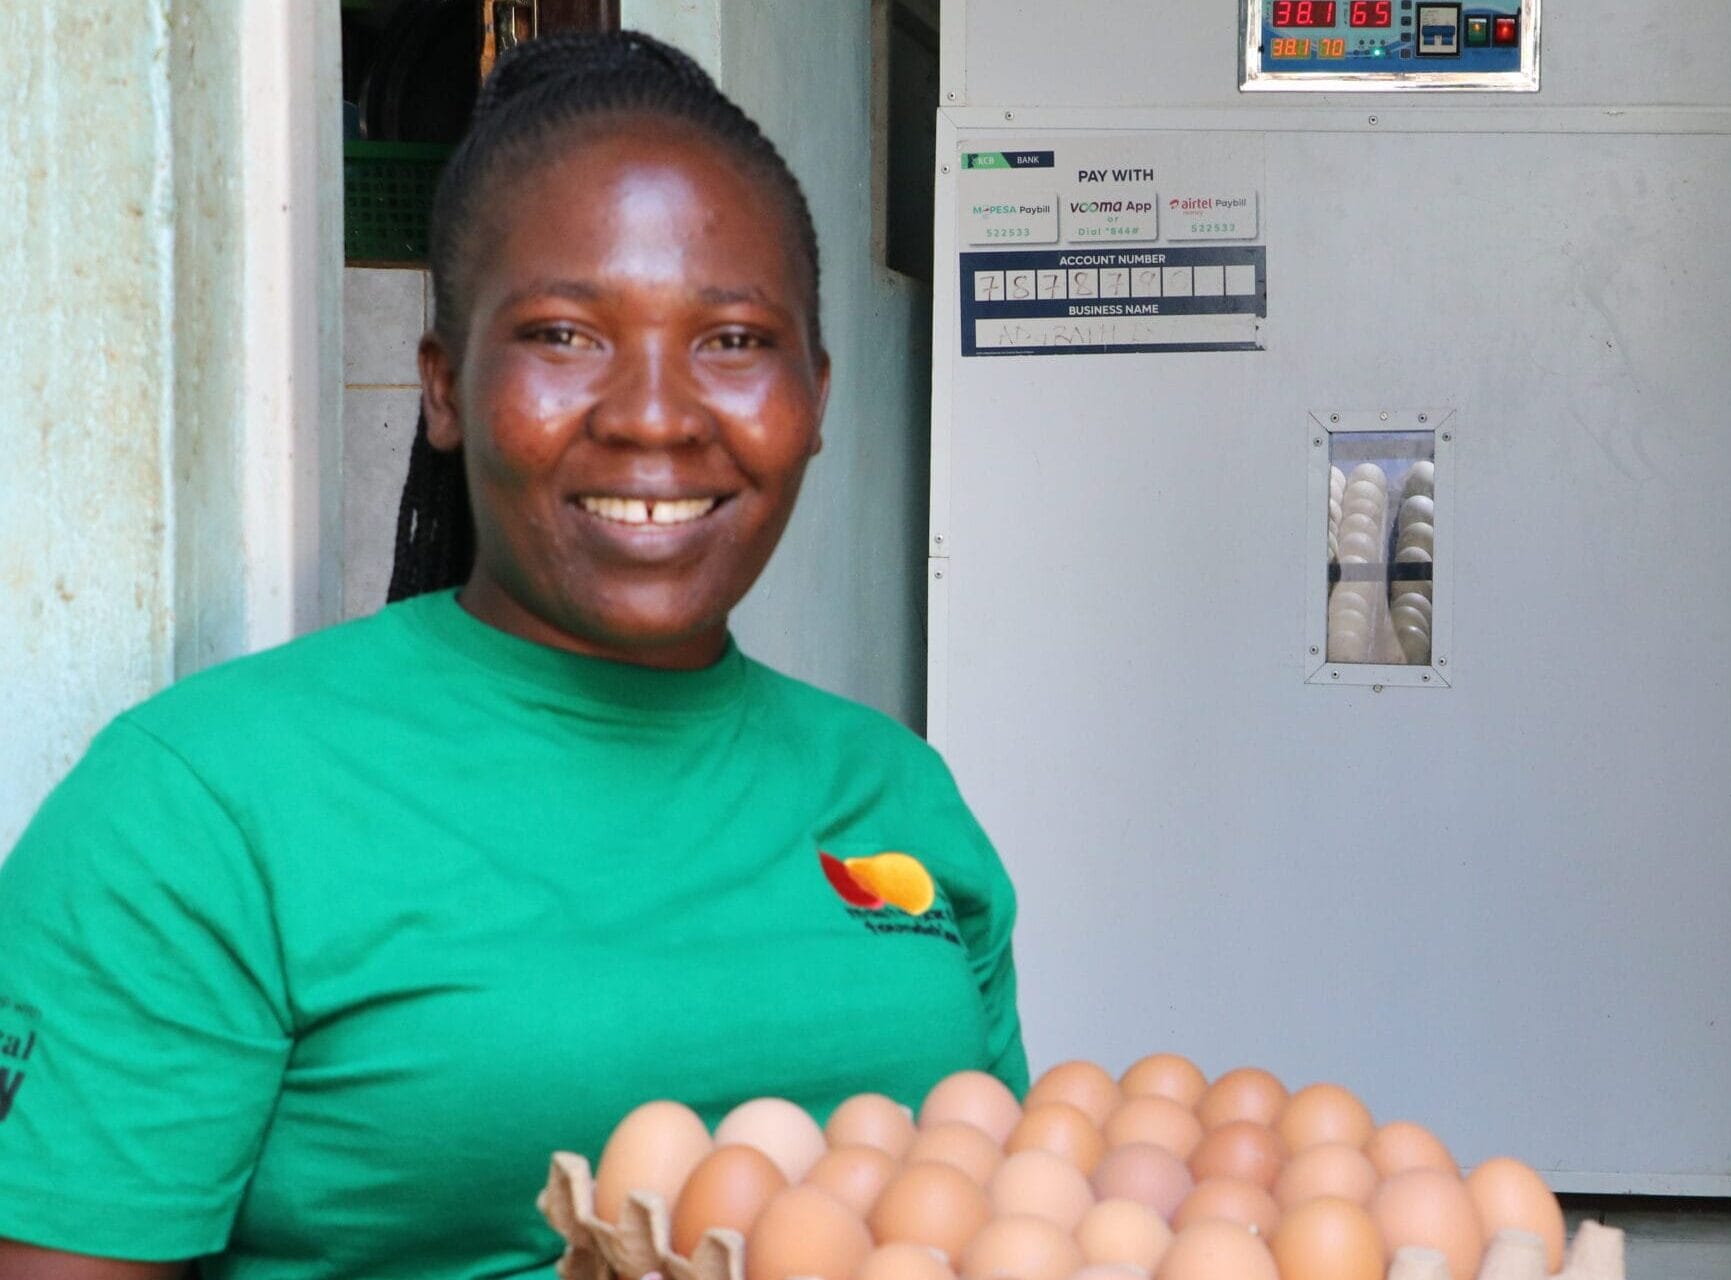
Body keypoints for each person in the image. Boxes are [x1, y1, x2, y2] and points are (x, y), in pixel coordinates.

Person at [0, 32, 1025, 1279]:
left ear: (813, 396)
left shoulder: (894, 792)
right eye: (564, 333)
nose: (654, 413)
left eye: (735, 341)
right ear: (443, 388)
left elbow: (1004, 1221)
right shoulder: (200, 806)